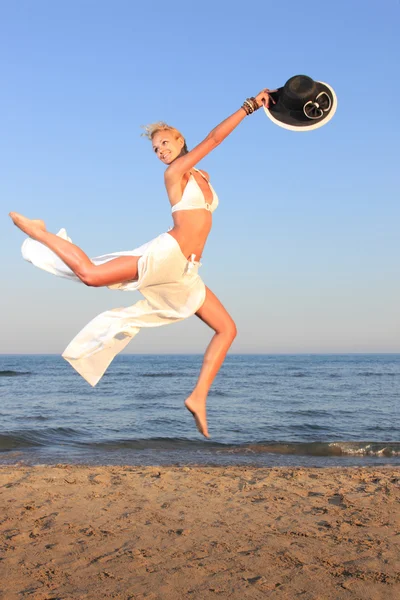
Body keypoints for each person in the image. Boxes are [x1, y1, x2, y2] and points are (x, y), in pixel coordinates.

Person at [9, 88, 275, 438]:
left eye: (165, 143)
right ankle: (39, 233)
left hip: (186, 272)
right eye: (156, 149)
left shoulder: (202, 176)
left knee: (227, 328)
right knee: (91, 275)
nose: (161, 151)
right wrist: (249, 107)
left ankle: (198, 397)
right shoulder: (175, 174)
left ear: (180, 139)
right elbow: (215, 137)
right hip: (168, 255)